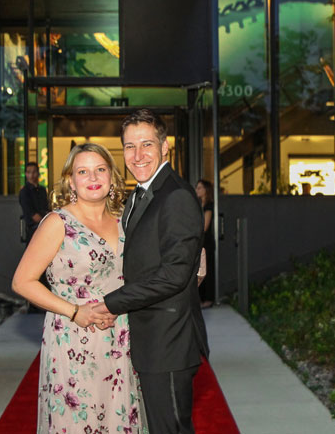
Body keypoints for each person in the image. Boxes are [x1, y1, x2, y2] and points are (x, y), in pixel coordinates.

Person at [12, 143, 146, 433]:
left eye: (100, 169)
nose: (93, 177)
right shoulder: (58, 222)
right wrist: (74, 312)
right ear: (71, 181)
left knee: (118, 418)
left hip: (120, 336)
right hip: (73, 339)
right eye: (82, 171)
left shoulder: (126, 220)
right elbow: (22, 281)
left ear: (112, 176)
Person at [95, 109, 208, 434]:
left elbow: (174, 274)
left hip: (168, 341)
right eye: (130, 146)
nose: (138, 154)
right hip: (149, 338)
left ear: (165, 146)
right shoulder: (138, 196)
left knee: (170, 429)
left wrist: (111, 302)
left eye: (146, 144)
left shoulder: (176, 196)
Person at [195, 179, 216, 308]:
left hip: (205, 242)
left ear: (206, 190)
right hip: (198, 241)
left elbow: (205, 227)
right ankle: (200, 299)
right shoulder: (198, 205)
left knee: (207, 270)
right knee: (198, 270)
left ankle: (208, 299)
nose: (197, 190)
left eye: (199, 188)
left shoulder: (209, 206)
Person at [19, 161, 50, 245]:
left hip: (45, 227)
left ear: (38, 173)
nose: (31, 175)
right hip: (34, 229)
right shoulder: (25, 191)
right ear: (25, 174)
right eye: (29, 172)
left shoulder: (42, 190)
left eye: (34, 172)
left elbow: (46, 208)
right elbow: (32, 215)